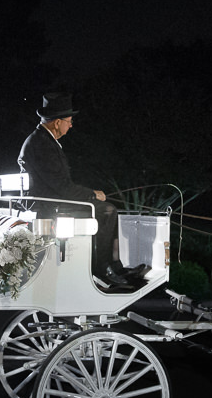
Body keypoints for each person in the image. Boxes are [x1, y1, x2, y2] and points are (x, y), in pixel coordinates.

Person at [18, 92, 147, 289]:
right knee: (106, 211)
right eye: (69, 121)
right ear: (56, 122)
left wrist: (90, 194)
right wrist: (92, 194)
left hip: (51, 199)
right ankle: (100, 268)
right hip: (49, 205)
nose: (71, 125)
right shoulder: (42, 144)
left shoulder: (43, 140)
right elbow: (62, 187)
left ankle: (114, 266)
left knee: (105, 208)